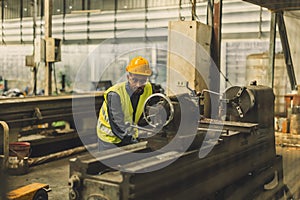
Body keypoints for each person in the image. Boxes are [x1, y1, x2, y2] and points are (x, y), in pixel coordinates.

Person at [97, 56, 155, 151]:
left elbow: (156, 103)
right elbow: (118, 125)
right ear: (128, 77)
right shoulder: (115, 94)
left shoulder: (148, 88)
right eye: (135, 80)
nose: (138, 85)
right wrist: (134, 143)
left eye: (143, 81)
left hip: (128, 135)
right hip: (109, 138)